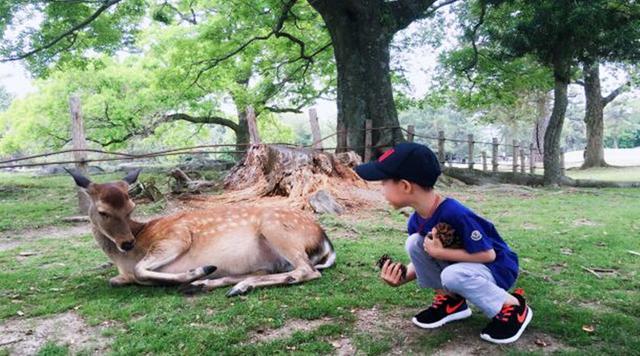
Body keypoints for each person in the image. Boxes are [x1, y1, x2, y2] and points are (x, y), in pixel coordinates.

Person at [354, 142, 532, 344]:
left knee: (452, 274)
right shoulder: (416, 219)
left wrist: (441, 254)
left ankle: (514, 306)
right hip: (466, 268)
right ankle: (451, 302)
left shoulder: (455, 213)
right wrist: (402, 277)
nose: (381, 190)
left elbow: (488, 255)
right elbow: (427, 253)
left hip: (496, 268)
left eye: (383, 183)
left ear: (405, 186)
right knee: (414, 242)